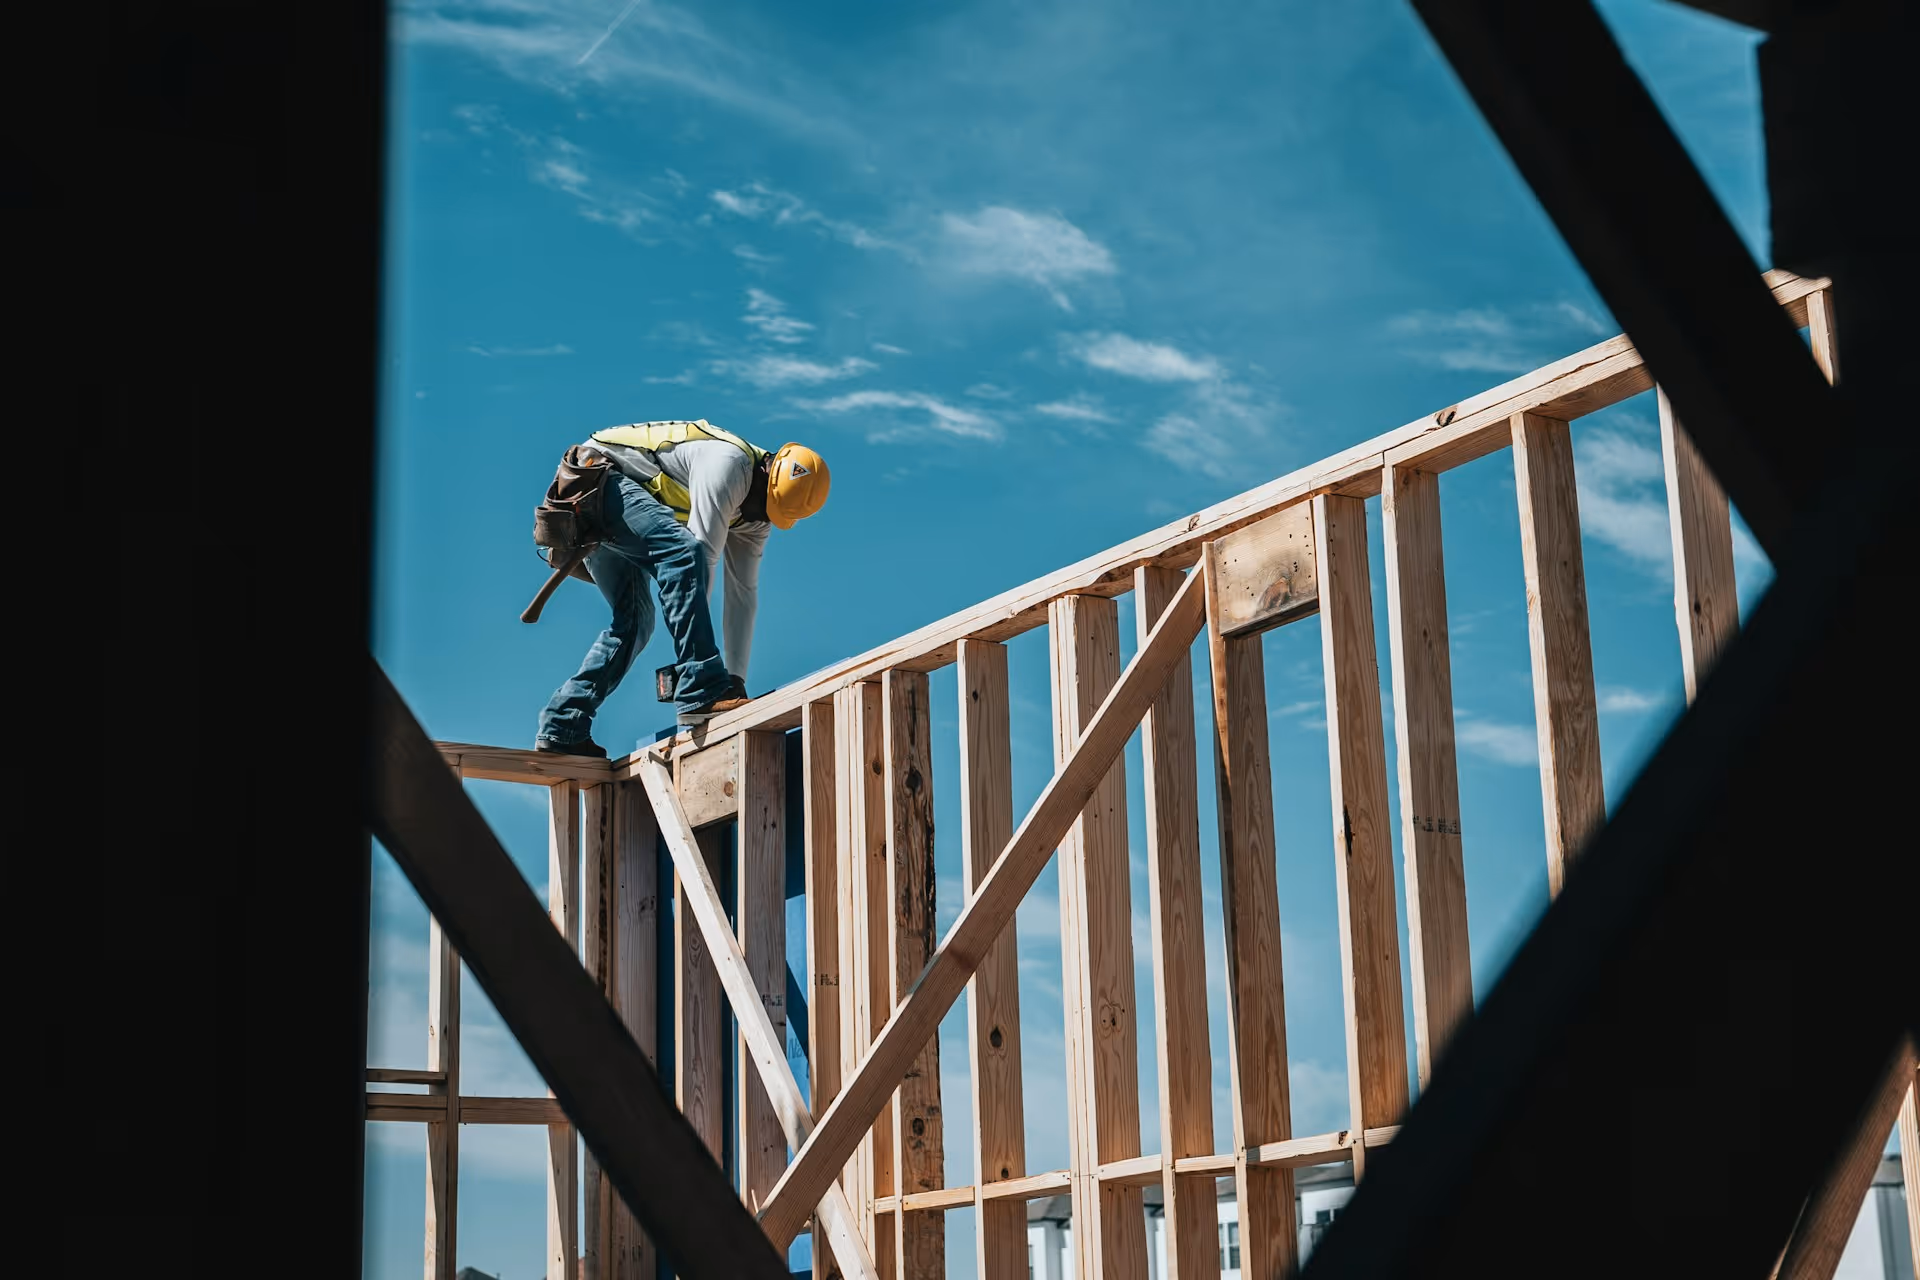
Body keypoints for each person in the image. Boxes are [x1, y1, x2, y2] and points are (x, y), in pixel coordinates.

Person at [535, 419, 829, 757]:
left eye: (769, 514)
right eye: (761, 506)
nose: (757, 517)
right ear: (766, 472)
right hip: (594, 481)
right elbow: (698, 559)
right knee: (684, 552)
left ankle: (563, 724)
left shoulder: (756, 517)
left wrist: (735, 680)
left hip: (614, 505)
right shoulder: (729, 464)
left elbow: (742, 596)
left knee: (635, 623)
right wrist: (702, 679)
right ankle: (700, 685)